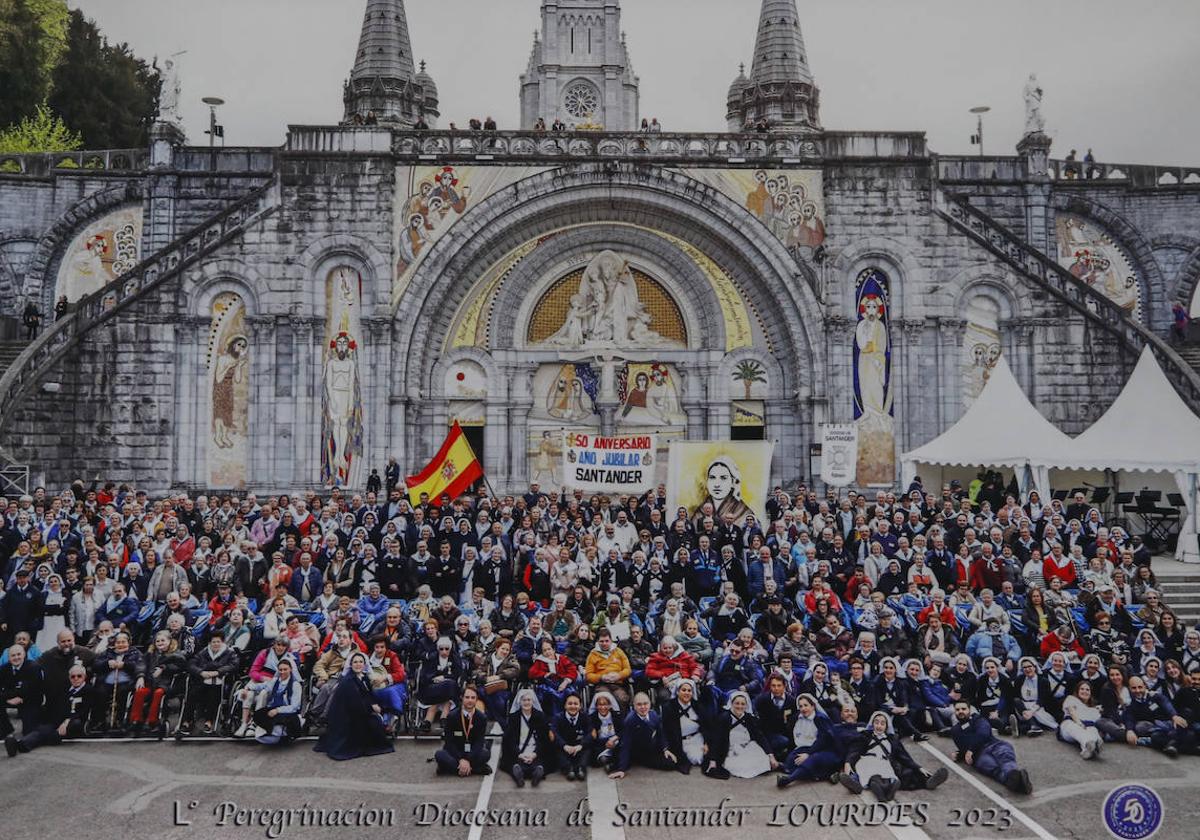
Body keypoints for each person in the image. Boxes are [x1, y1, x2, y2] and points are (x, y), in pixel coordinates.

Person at [837, 711, 948, 800]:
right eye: (876, 722)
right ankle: (860, 787)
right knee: (873, 777)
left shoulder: (892, 739)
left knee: (907, 772)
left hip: (885, 762)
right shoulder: (865, 736)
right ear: (872, 723)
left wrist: (918, 767)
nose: (879, 726)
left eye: (882, 723)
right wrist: (848, 762)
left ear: (886, 725)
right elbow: (855, 750)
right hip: (867, 761)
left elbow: (904, 756)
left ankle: (928, 782)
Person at [314, 651, 394, 760]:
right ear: (351, 665)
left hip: (358, 712)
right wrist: (371, 708)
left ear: (364, 664)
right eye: (355, 662)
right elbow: (354, 704)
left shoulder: (363, 678)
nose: (358, 664)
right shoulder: (348, 681)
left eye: (361, 662)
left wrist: (373, 704)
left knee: (375, 721)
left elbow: (367, 696)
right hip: (347, 717)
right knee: (373, 723)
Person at [5, 665, 96, 757]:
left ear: (84, 677)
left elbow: (85, 711)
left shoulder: (89, 690)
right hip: (58, 721)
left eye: (79, 676)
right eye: (73, 676)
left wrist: (67, 721)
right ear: (69, 678)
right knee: (43, 730)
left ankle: (50, 737)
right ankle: (19, 745)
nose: (76, 679)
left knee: (73, 724)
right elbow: (54, 707)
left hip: (75, 722)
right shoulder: (64, 689)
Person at [949, 699, 1033, 794]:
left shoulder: (978, 719)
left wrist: (971, 749)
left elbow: (983, 733)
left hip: (995, 745)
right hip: (979, 756)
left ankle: (1014, 777)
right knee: (994, 770)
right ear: (954, 712)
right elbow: (964, 748)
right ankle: (1020, 784)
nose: (960, 711)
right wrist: (959, 754)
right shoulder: (955, 731)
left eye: (963, 709)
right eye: (957, 709)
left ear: (969, 710)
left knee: (1006, 759)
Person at [706, 689, 777, 779]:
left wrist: (771, 755)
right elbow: (717, 739)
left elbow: (759, 736)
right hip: (730, 749)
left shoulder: (749, 718)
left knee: (764, 760)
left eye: (743, 704)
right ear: (732, 704)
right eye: (737, 703)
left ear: (746, 705)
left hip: (747, 746)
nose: (740, 706)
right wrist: (713, 761)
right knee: (740, 766)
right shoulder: (724, 718)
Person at [777, 693, 840, 787]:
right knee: (791, 759)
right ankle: (826, 775)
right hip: (808, 747)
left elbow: (823, 740)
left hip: (825, 749)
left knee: (811, 760)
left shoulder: (820, 718)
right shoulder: (798, 717)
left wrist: (808, 754)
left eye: (806, 705)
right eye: (801, 706)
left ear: (813, 706)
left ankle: (789, 779)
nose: (803, 708)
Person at [608, 691, 677, 778]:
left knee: (671, 763)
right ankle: (622, 763)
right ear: (634, 706)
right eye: (639, 704)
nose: (643, 707)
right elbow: (626, 744)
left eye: (645, 704)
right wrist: (622, 769)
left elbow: (660, 734)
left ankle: (633, 761)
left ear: (650, 704)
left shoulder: (654, 715)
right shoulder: (630, 720)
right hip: (636, 750)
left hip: (651, 749)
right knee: (619, 759)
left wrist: (665, 749)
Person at [434, 686, 492, 776]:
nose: (470, 700)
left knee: (486, 753)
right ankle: (475, 769)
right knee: (439, 755)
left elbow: (479, 742)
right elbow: (449, 742)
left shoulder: (481, 718)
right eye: (467, 697)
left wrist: (468, 759)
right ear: (462, 698)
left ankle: (453, 769)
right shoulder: (452, 716)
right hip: (455, 753)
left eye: (473, 698)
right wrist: (461, 759)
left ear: (477, 700)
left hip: (472, 752)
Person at [503, 688, 551, 787]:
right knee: (513, 761)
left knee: (542, 760)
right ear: (519, 702)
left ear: (533, 701)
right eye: (524, 700)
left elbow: (544, 739)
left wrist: (535, 754)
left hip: (534, 749)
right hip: (519, 749)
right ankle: (519, 775)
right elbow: (509, 739)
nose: (526, 702)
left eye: (529, 700)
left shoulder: (540, 716)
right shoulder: (514, 717)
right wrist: (519, 754)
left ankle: (536, 774)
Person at [253, 656, 303, 745]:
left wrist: (277, 710)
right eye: (280, 670)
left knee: (277, 726)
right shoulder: (276, 681)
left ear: (290, 669)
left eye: (285, 669)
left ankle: (283, 734)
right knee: (258, 715)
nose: (282, 672)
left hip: (288, 713)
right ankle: (273, 733)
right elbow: (264, 686)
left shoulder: (295, 685)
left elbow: (294, 707)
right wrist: (248, 688)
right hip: (274, 709)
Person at [551, 692, 592, 780]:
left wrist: (581, 745)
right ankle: (568, 769)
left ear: (580, 706)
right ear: (565, 705)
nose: (573, 706)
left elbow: (590, 733)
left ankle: (581, 768)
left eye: (576, 704)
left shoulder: (585, 717)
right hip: (564, 747)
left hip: (579, 746)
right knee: (556, 749)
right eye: (570, 703)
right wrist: (564, 745)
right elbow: (554, 733)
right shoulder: (558, 718)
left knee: (587, 748)